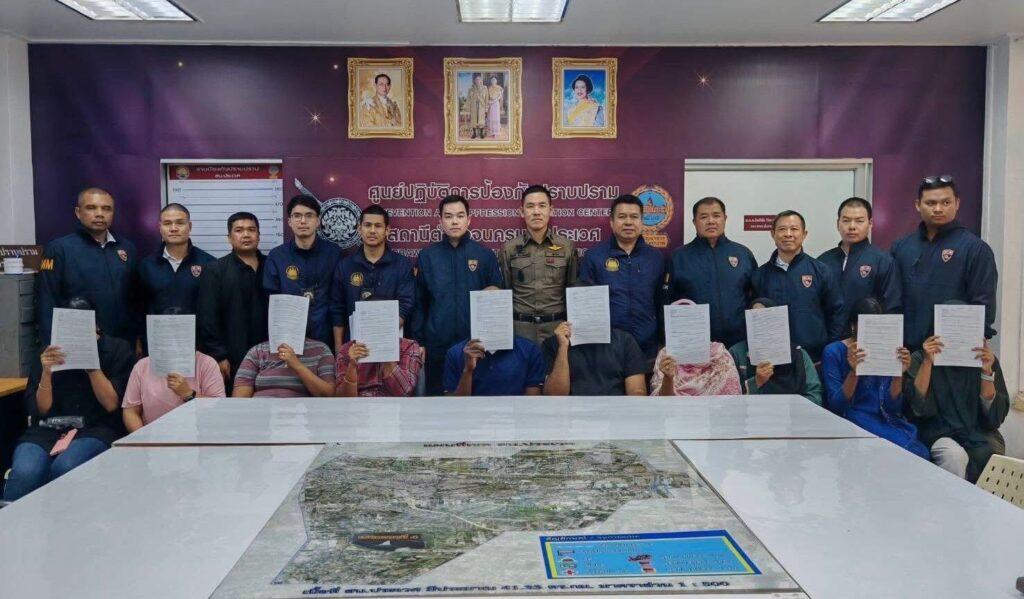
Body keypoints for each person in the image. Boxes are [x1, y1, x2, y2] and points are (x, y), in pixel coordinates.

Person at [2, 298, 134, 502]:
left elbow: (111, 404)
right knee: (26, 473)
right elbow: (40, 409)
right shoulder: (47, 353)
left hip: (93, 428)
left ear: (96, 326)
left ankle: (60, 518)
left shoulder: (117, 349)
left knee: (65, 467)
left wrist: (91, 364)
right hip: (47, 428)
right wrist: (47, 373)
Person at [891, 175, 998, 350]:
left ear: (957, 203)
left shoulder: (975, 249)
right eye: (930, 203)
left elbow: (984, 308)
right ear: (918, 205)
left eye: (946, 202)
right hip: (907, 353)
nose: (938, 209)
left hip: (952, 353)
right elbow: (892, 301)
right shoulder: (901, 247)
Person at [415, 195, 503, 394]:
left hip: (475, 345)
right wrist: (420, 342)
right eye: (448, 216)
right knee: (438, 403)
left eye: (460, 216)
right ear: (440, 220)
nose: (454, 221)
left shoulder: (485, 255)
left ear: (469, 219)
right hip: (437, 346)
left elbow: (496, 303)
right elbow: (420, 303)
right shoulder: (427, 256)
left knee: (476, 402)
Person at [904, 314, 1009, 482]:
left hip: (977, 432)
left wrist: (986, 371)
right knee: (953, 456)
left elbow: (993, 415)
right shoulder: (921, 357)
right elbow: (917, 407)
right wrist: (928, 362)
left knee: (990, 455)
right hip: (937, 431)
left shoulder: (983, 358)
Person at [821, 297, 928, 459]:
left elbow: (893, 407)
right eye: (868, 326)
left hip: (886, 419)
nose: (874, 332)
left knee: (919, 452)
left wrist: (898, 374)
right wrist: (854, 371)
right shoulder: (834, 352)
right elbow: (837, 407)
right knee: (904, 453)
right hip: (854, 420)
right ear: (854, 325)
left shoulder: (886, 349)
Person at [38, 187, 137, 347]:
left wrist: (137, 338)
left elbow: (134, 300)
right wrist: (50, 347)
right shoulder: (59, 249)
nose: (99, 214)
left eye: (106, 208)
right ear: (78, 212)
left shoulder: (127, 248)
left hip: (122, 344)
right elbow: (47, 302)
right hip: (79, 343)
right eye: (91, 208)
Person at [750, 210, 845, 362]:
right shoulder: (759, 275)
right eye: (782, 229)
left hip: (813, 359)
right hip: (773, 361)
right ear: (773, 234)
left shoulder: (821, 271)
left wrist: (829, 351)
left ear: (804, 234)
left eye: (794, 229)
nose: (788, 234)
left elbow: (836, 313)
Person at [579, 194, 663, 363]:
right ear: (611, 222)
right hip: (607, 349)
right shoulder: (594, 257)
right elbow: (584, 307)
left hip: (647, 348)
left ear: (642, 221)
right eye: (622, 216)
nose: (628, 222)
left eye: (634, 217)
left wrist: (663, 342)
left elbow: (662, 302)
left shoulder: (656, 258)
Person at [666, 196, 757, 348]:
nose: (711, 221)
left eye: (716, 215)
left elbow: (755, 297)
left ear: (725, 219)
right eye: (703, 217)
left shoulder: (743, 254)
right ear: (694, 222)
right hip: (694, 345)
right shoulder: (679, 257)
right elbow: (667, 301)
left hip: (739, 345)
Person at [196, 212, 269, 393]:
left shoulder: (272, 267)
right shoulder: (215, 270)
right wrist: (219, 356)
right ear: (229, 237)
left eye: (251, 230)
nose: (246, 235)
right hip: (233, 358)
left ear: (259, 235)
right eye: (239, 230)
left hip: (270, 358)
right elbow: (207, 318)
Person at [498, 185, 578, 344]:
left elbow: (573, 290)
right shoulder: (509, 248)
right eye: (530, 206)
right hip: (520, 331)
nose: (536, 211)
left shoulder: (567, 247)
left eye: (542, 205)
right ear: (522, 212)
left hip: (556, 330)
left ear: (551, 210)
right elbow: (505, 292)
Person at [122, 308, 225, 432]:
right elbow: (130, 412)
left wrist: (188, 394)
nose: (173, 342)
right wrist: (144, 439)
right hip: (153, 437)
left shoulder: (207, 364)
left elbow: (218, 410)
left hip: (198, 436)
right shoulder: (142, 366)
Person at [331, 205, 415, 352]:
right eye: (367, 225)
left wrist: (378, 336)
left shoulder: (402, 265)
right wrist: (339, 350)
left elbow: (405, 306)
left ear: (387, 230)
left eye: (378, 226)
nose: (372, 230)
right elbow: (337, 309)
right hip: (354, 349)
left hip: (390, 345)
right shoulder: (344, 266)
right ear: (359, 229)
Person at [264, 195, 343, 349]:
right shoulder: (277, 256)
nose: (303, 221)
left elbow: (338, 301)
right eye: (297, 216)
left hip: (325, 336)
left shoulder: (334, 253)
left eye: (309, 215)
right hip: (289, 339)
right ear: (289, 221)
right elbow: (271, 302)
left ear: (318, 221)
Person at [136, 203, 215, 353]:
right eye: (167, 223)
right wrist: (139, 340)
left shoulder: (209, 264)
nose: (173, 228)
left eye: (180, 223)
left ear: (189, 226)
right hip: (158, 346)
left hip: (198, 348)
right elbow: (139, 308)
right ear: (160, 228)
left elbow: (214, 311)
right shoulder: (146, 266)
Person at [817, 197, 901, 321]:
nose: (852, 226)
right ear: (838, 224)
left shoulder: (883, 262)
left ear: (870, 224)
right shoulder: (823, 261)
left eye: (859, 221)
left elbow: (891, 308)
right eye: (846, 221)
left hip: (866, 332)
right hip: (828, 333)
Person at [728, 298, 823, 405]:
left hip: (792, 414)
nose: (762, 323)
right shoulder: (737, 353)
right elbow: (728, 400)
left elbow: (815, 396)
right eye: (756, 318)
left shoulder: (798, 354)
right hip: (751, 414)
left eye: (767, 318)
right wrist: (756, 382)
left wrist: (787, 409)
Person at [650, 299, 742, 396]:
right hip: (677, 406)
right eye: (680, 325)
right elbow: (663, 402)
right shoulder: (665, 357)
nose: (686, 330)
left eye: (690, 322)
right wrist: (668, 378)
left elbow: (731, 399)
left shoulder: (720, 356)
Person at [542, 321, 647, 396]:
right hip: (571, 415)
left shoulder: (624, 341)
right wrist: (563, 347)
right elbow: (554, 396)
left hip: (615, 414)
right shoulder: (555, 343)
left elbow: (637, 392)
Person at [232, 338, 336, 398]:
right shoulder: (257, 351)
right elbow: (239, 398)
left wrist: (297, 366)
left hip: (301, 417)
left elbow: (329, 395)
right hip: (262, 417)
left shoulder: (321, 350)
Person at [443, 337, 545, 396]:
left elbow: (532, 405)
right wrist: (468, 370)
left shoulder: (530, 350)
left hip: (515, 421)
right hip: (472, 422)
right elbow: (453, 409)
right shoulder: (455, 353)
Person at [335, 336, 423, 397]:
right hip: (360, 410)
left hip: (394, 409)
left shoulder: (409, 346)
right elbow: (343, 399)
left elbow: (404, 392)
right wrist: (352, 365)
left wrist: (387, 352)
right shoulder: (347, 349)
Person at [465, 73, 488, 139]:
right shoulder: (471, 89)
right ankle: (474, 134)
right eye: (476, 79)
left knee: (481, 120)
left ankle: (481, 134)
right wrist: (468, 110)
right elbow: (468, 100)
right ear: (474, 81)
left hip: (481, 107)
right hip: (474, 107)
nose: (478, 81)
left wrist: (486, 108)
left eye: (479, 79)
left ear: (481, 80)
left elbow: (486, 98)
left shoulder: (484, 89)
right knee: (474, 120)